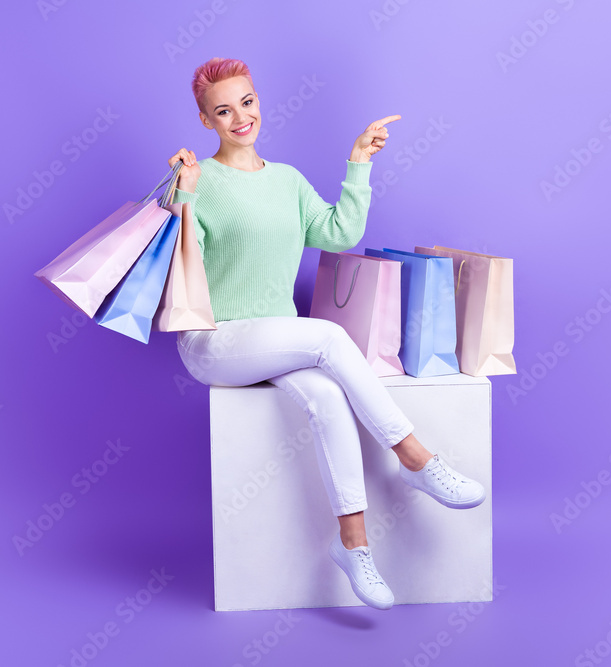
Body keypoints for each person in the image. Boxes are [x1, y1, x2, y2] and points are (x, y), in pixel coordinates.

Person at [169, 57, 485, 611]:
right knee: (329, 338)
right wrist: (184, 195)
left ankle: (353, 547)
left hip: (274, 338)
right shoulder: (200, 178)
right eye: (223, 110)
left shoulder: (287, 180)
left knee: (328, 397)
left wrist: (359, 162)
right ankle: (417, 460)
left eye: (247, 102)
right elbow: (179, 255)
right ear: (205, 121)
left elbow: (338, 233)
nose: (240, 116)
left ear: (258, 101)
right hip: (214, 340)